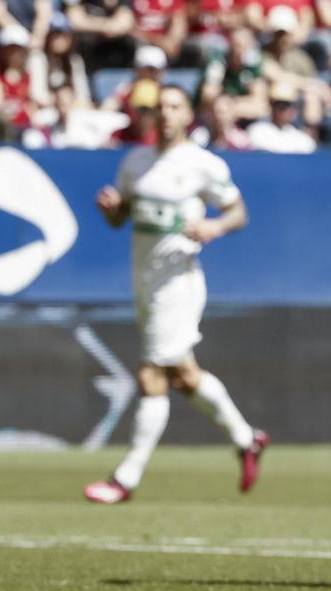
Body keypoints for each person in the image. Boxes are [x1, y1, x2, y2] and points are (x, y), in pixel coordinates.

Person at [84, 84, 268, 505]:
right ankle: (247, 439)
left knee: (152, 375)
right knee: (184, 376)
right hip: (144, 281)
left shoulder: (202, 164)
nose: (165, 114)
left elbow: (238, 212)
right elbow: (121, 220)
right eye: (159, 107)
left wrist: (214, 227)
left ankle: (125, 478)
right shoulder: (136, 163)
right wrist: (112, 208)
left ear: (188, 115)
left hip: (179, 281)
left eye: (174, 106)